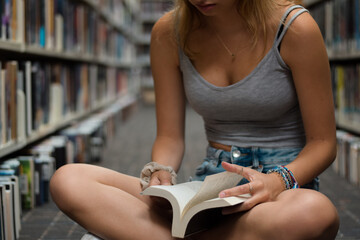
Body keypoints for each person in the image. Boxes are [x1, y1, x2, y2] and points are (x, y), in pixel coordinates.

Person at [49, 0, 340, 239]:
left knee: (314, 212)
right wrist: (161, 171)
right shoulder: (168, 33)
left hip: (279, 189)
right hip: (210, 187)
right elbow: (169, 137)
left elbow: (323, 144)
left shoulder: (294, 27)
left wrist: (277, 182)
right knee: (68, 180)